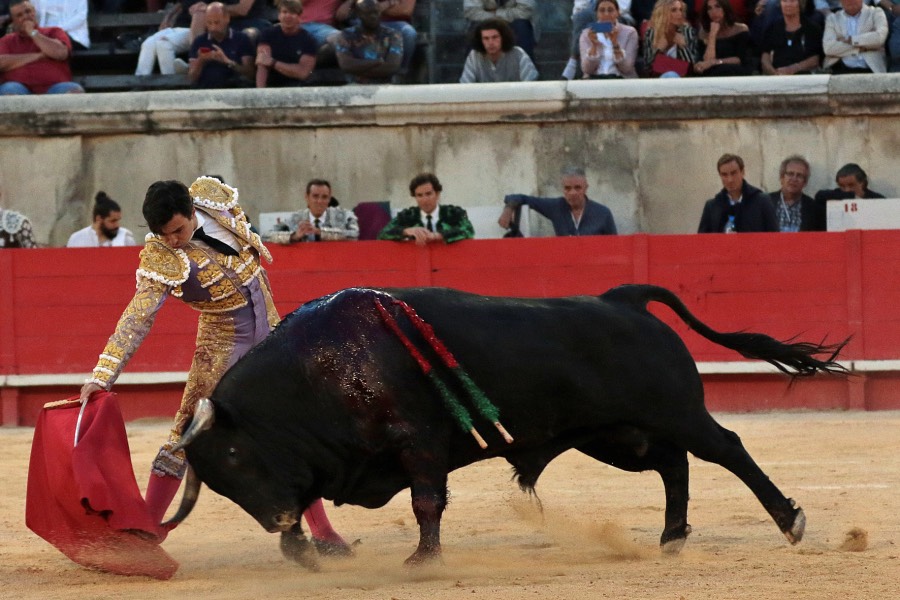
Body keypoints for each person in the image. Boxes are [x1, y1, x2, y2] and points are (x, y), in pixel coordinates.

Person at [77, 176, 350, 554]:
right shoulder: (162, 256)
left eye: (177, 230)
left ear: (192, 211)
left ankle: (324, 533)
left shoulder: (214, 203)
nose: (172, 240)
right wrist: (103, 374)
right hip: (221, 346)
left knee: (294, 433)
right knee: (186, 435)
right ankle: (151, 530)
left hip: (272, 340)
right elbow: (136, 318)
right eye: (163, 233)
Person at [498, 168, 617, 237]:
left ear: (586, 188)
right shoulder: (556, 207)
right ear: (563, 189)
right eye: (567, 188)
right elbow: (521, 198)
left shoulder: (603, 213)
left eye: (578, 188)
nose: (572, 193)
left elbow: (615, 247)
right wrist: (508, 209)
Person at [0, 0, 83, 95]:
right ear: (13, 21)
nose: (25, 17)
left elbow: (61, 54)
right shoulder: (7, 40)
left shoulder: (54, 31)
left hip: (55, 86)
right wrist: (38, 56)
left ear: (34, 12)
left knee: (74, 91)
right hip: (17, 87)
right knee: (9, 91)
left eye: (28, 11)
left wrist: (33, 33)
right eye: (19, 15)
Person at [378, 173, 474, 245]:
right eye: (419, 195)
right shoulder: (407, 216)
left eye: (428, 194)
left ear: (437, 194)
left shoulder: (452, 213)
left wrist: (438, 235)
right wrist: (406, 231)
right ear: (415, 197)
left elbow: (469, 231)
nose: (424, 200)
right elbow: (382, 234)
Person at [698, 154, 778, 233]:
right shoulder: (712, 206)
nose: (730, 180)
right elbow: (702, 241)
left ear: (742, 172)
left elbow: (775, 237)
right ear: (720, 176)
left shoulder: (762, 201)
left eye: (733, 173)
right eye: (724, 175)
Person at [262, 178, 360, 243]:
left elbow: (354, 235)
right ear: (307, 197)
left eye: (324, 197)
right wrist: (293, 236)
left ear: (329, 199)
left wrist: (320, 232)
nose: (319, 201)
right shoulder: (296, 218)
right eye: (315, 196)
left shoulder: (344, 215)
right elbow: (265, 236)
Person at [188, 2, 255, 88]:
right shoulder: (199, 41)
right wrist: (201, 61)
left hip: (233, 90)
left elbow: (250, 74)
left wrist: (227, 61)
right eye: (209, 23)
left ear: (227, 18)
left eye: (217, 23)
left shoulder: (241, 39)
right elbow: (191, 78)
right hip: (205, 91)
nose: (213, 28)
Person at [335, 0, 403, 84]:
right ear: (359, 14)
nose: (373, 16)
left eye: (376, 12)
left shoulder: (392, 35)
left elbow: (392, 66)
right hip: (355, 86)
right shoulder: (346, 35)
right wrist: (377, 62)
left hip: (386, 87)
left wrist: (359, 69)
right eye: (368, 13)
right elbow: (346, 65)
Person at [256, 0, 318, 87]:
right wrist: (260, 92)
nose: (288, 16)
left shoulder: (309, 40)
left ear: (299, 17)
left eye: (292, 13)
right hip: (272, 84)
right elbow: (262, 64)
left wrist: (273, 62)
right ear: (279, 15)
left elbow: (303, 73)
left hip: (297, 85)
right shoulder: (267, 34)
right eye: (284, 12)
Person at [134, 0, 205, 77]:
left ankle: (170, 82)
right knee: (148, 43)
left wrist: (203, 8)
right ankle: (140, 81)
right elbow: (181, 4)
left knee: (163, 43)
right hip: (177, 28)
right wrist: (168, 17)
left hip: (194, 30)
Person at [459, 16, 538, 82]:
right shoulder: (474, 56)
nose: (490, 42)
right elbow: (465, 86)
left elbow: (531, 85)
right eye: (486, 38)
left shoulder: (518, 54)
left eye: (495, 37)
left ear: (503, 37)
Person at [759, 0, 823, 75]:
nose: (788, 4)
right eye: (784, 1)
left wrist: (792, 69)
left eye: (792, 1)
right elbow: (765, 56)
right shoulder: (772, 28)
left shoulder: (812, 28)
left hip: (804, 78)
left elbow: (815, 59)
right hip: (777, 78)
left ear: (800, 3)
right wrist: (773, 72)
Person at [823, 0, 888, 74]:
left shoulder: (876, 13)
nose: (850, 1)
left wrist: (851, 40)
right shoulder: (832, 19)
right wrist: (863, 46)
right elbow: (828, 48)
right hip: (840, 69)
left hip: (871, 69)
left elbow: (879, 38)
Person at [579, 0, 639, 79]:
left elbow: (627, 68)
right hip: (594, 80)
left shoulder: (630, 33)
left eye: (610, 10)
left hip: (621, 80)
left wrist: (615, 43)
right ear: (597, 14)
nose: (606, 14)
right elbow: (587, 70)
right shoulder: (586, 34)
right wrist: (594, 46)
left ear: (617, 12)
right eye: (602, 10)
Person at [463, 0, 537, 62]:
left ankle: (528, 71)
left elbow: (526, 10)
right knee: (476, 27)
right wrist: (498, 17)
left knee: (521, 25)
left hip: (515, 22)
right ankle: (472, 73)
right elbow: (471, 11)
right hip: (486, 21)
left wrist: (496, 13)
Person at [642, 0, 699, 77]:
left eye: (681, 10)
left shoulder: (688, 31)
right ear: (662, 13)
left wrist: (683, 47)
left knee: (671, 75)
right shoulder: (651, 33)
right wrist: (659, 50)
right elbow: (647, 67)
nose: (679, 14)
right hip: (657, 79)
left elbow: (693, 66)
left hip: (683, 79)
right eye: (674, 10)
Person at [694, 0, 752, 76]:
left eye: (717, 6)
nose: (713, 11)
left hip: (736, 73)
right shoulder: (704, 32)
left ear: (725, 8)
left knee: (722, 70)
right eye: (709, 8)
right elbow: (706, 62)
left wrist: (715, 62)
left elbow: (740, 60)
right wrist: (712, 35)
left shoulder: (740, 29)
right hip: (712, 74)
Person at [768, 155, 822, 232]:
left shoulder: (814, 209)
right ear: (782, 177)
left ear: (805, 182)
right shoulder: (765, 203)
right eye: (790, 174)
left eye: (799, 175)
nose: (794, 179)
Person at [66, 191, 138, 247]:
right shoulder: (77, 239)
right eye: (112, 221)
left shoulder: (125, 240)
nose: (117, 225)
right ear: (99, 219)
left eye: (118, 220)